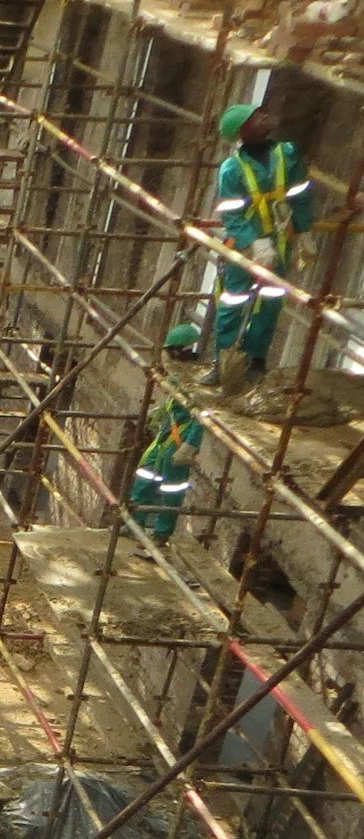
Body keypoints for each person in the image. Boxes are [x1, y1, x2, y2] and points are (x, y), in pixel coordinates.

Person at [210, 100, 313, 395]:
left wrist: (305, 232)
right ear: (243, 130)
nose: (264, 116)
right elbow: (231, 213)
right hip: (245, 249)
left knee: (270, 302)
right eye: (256, 117)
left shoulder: (288, 153)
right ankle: (224, 362)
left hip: (279, 245)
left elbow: (300, 196)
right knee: (233, 303)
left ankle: (255, 361)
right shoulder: (232, 170)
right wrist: (255, 242)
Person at [129, 323, 206, 552]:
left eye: (171, 351)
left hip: (179, 439)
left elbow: (201, 415)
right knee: (145, 474)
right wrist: (161, 413)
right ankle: (136, 523)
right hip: (166, 434)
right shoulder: (178, 374)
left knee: (171, 489)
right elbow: (175, 401)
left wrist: (190, 446)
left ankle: (161, 534)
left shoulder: (198, 379)